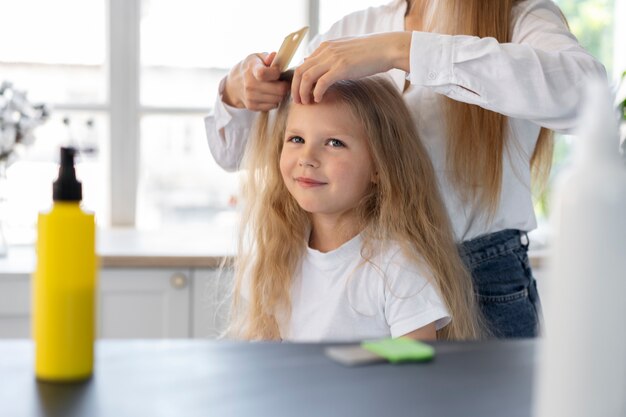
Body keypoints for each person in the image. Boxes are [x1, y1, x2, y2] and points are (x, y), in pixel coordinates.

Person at [205, 0, 606, 338]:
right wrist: (239, 93)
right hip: (357, 268)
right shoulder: (353, 28)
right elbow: (244, 153)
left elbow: (587, 98)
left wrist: (403, 51)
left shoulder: (519, 17)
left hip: (481, 282)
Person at [229, 76, 484, 341]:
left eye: (334, 143)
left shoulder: (397, 266)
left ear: (378, 165)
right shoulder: (278, 256)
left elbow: (416, 355)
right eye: (296, 139)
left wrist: (350, 363)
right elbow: (270, 355)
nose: (307, 158)